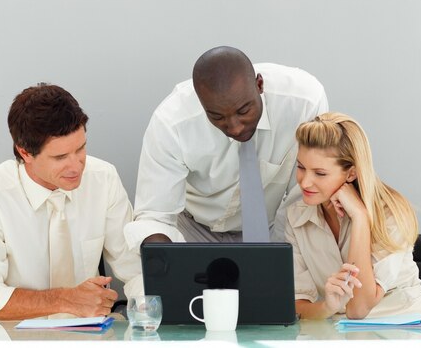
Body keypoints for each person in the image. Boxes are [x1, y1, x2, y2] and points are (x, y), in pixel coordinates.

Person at [0, 83, 142, 321]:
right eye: (60, 157)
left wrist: (149, 310)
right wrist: (65, 299)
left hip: (90, 334)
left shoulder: (103, 178)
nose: (76, 166)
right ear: (25, 153)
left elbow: (135, 269)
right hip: (13, 337)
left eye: (81, 148)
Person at [124, 46, 328, 248]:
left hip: (274, 227)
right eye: (217, 116)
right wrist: (166, 261)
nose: (235, 128)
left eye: (243, 110)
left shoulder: (304, 103)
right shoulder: (171, 124)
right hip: (192, 230)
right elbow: (156, 216)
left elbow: (303, 196)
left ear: (259, 85)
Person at [285, 112, 421, 319]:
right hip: (341, 332)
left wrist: (360, 218)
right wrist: (327, 307)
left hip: (405, 328)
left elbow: (358, 309)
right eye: (300, 167)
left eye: (320, 173)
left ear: (351, 173)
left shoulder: (391, 213)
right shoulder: (296, 216)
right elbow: (298, 307)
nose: (305, 182)